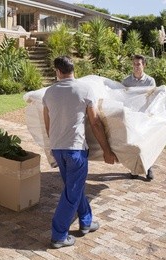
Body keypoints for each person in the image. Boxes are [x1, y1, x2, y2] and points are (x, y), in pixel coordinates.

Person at [43, 56, 117, 249]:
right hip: (75, 149)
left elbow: (47, 122)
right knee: (72, 193)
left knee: (74, 188)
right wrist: (107, 151)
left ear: (58, 72)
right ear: (73, 70)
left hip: (58, 148)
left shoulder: (49, 92)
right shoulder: (84, 89)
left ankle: (86, 221)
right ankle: (59, 235)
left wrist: (53, 144)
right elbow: (95, 122)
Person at [122, 54, 156, 181]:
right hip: (130, 117)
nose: (136, 67)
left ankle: (148, 168)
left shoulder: (150, 81)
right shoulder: (126, 81)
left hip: (144, 116)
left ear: (144, 65)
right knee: (133, 144)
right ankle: (134, 169)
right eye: (134, 64)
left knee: (145, 143)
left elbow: (152, 98)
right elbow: (122, 98)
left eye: (139, 64)